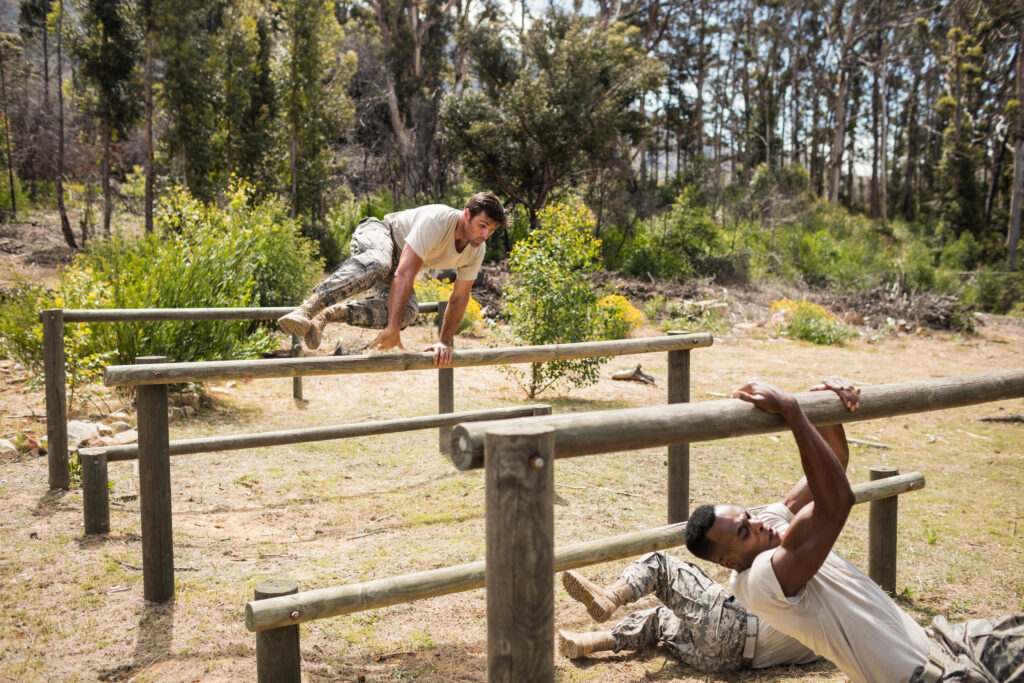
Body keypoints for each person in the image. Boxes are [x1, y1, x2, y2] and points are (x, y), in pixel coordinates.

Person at [684, 376, 1024, 683]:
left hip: (943, 641)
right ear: (729, 562)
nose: (757, 524)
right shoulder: (760, 580)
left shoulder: (768, 528)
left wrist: (824, 398)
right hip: (932, 677)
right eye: (744, 532)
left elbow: (835, 460)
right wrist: (791, 409)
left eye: (748, 516)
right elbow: (837, 500)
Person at [278, 192, 506, 368]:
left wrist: (444, 342)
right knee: (379, 262)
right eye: (482, 226)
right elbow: (405, 273)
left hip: (395, 264)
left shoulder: (477, 249)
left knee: (408, 312)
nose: (485, 235)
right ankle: (307, 309)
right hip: (378, 233)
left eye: (492, 230)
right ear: (466, 215)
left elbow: (459, 297)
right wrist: (392, 328)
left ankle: (326, 317)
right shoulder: (438, 221)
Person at [556, 551, 821, 673]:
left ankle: (610, 597)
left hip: (733, 626)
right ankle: (588, 643)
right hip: (726, 663)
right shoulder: (828, 642)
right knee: (660, 619)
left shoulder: (815, 591)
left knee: (659, 565)